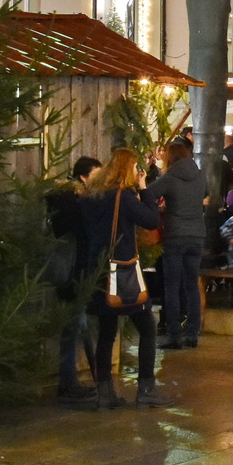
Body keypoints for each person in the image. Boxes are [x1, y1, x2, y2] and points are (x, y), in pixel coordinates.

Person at [79, 148, 173, 408]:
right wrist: (144, 189)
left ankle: (105, 395)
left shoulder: (91, 197)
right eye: (135, 168)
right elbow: (152, 220)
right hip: (122, 273)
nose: (137, 173)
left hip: (98, 272)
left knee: (107, 334)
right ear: (127, 169)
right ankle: (146, 390)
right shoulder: (124, 197)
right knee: (147, 327)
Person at [48, 155, 102, 401]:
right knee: (72, 328)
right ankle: (68, 384)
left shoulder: (69, 199)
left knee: (74, 327)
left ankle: (70, 381)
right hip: (73, 273)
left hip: (73, 271)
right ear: (83, 176)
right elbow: (81, 231)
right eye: (95, 175)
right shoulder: (71, 201)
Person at [144, 139, 206, 350]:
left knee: (171, 286)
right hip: (197, 235)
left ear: (170, 157)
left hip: (175, 236)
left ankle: (173, 336)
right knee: (191, 286)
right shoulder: (200, 175)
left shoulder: (169, 178)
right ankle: (192, 334)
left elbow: (147, 195)